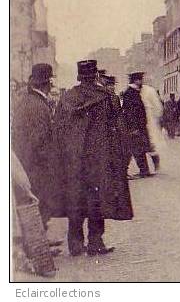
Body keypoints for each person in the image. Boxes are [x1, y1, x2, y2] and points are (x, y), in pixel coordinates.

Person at [53, 60, 133, 256]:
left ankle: (75, 243)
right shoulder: (107, 97)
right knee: (97, 199)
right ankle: (95, 242)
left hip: (74, 159)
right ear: (96, 75)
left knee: (76, 197)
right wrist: (122, 156)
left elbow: (58, 130)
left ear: (79, 76)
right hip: (100, 159)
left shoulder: (67, 98)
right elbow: (120, 129)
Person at [11, 63, 63, 227]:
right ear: (47, 84)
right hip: (37, 164)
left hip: (25, 160)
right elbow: (40, 140)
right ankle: (39, 243)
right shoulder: (38, 105)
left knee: (36, 202)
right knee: (40, 202)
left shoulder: (27, 100)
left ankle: (41, 239)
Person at [122, 72, 153, 178]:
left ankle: (144, 170)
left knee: (139, 149)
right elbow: (129, 112)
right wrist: (133, 127)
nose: (141, 82)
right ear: (135, 81)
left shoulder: (134, 92)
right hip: (135, 128)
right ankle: (124, 171)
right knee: (134, 150)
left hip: (139, 127)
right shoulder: (130, 93)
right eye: (140, 80)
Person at [140, 82, 163, 172]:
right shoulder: (150, 90)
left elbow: (158, 108)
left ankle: (147, 168)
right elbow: (158, 108)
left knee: (149, 143)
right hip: (149, 121)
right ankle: (154, 166)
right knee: (150, 143)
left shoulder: (147, 90)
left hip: (148, 121)